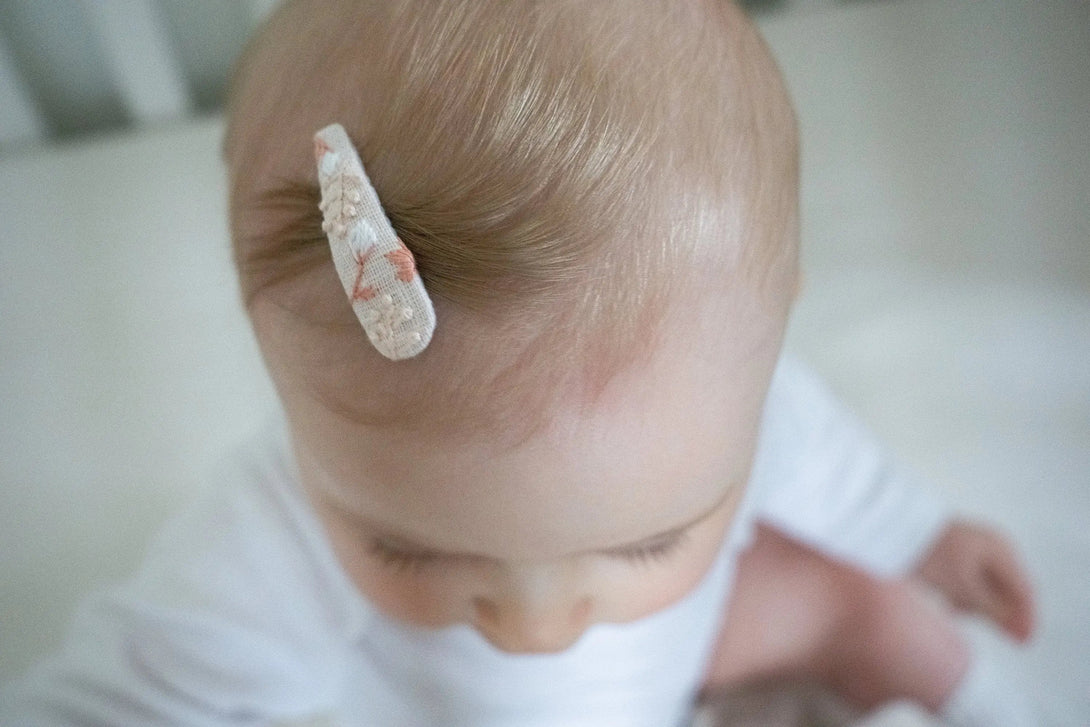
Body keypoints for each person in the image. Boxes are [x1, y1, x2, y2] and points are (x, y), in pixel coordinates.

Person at [0, 1, 1037, 725]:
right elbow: (121, 695)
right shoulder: (273, 535)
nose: (537, 626)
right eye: (409, 550)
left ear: (766, 344)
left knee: (849, 603)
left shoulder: (749, 411)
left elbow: (828, 463)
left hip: (692, 641)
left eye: (646, 540)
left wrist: (916, 532)